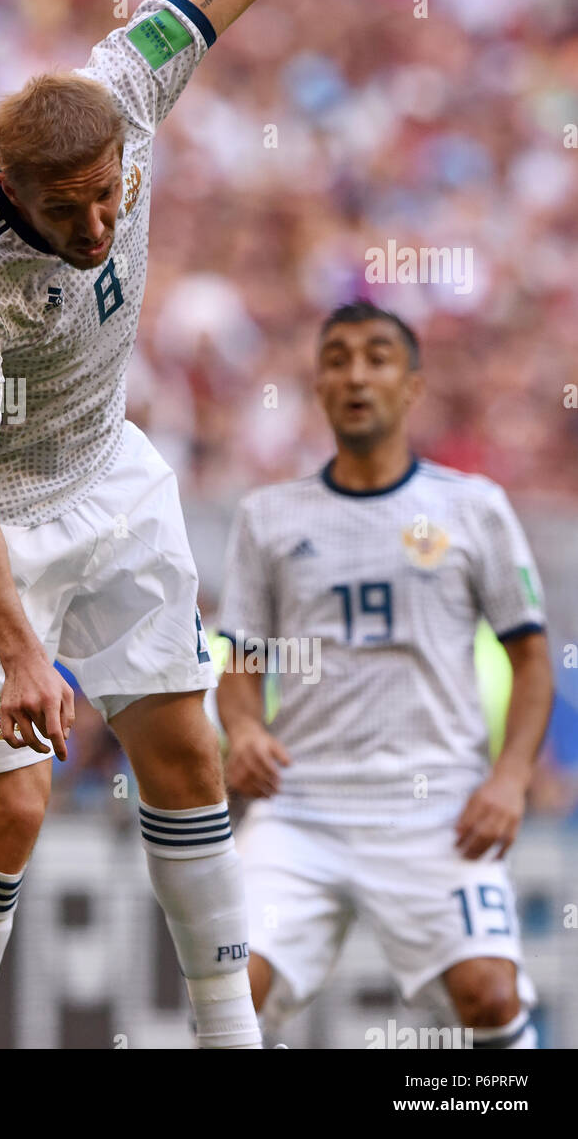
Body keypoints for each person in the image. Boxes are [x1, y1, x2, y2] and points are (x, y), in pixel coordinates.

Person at [0, 0, 401, 1050]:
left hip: (109, 474)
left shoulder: (129, 81)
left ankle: (230, 1040)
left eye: (112, 195)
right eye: (73, 211)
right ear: (11, 185)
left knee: (187, 757)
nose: (102, 223)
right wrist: (19, 653)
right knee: (10, 815)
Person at [215, 301, 553, 1048]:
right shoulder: (268, 516)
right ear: (318, 387)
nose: (354, 373)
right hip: (299, 808)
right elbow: (239, 661)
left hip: (434, 808)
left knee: (490, 998)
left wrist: (509, 778)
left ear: (411, 387)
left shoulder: (472, 508)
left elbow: (531, 659)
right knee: (229, 999)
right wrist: (240, 727)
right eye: (335, 359)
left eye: (375, 356)